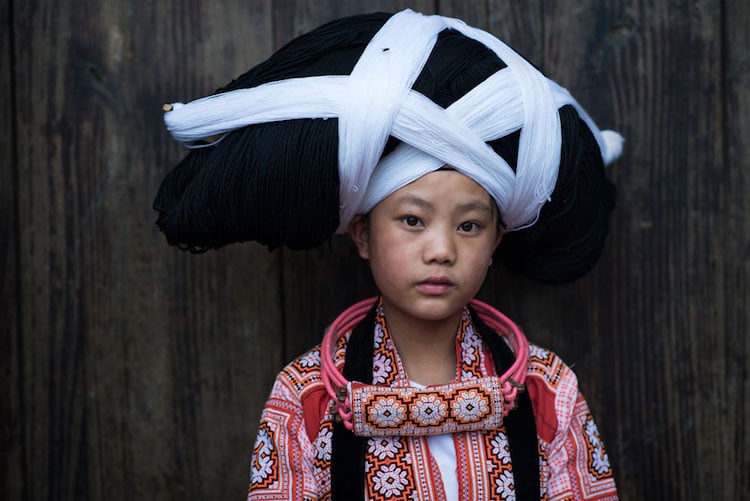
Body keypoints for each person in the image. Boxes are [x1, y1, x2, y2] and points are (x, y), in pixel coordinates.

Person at [155, 10, 621, 500]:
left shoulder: (546, 388)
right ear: (361, 233)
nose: (441, 250)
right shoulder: (306, 395)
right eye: (412, 221)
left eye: (469, 225)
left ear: (497, 240)